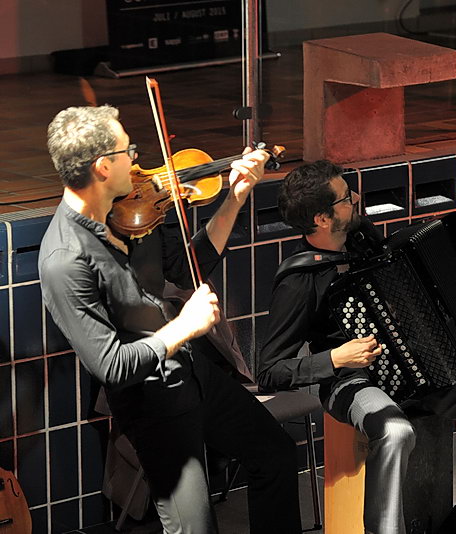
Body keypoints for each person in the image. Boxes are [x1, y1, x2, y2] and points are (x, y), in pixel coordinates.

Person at [39, 105, 302, 534]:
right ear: (103, 166)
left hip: (193, 370)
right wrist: (184, 326)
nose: (138, 162)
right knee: (195, 528)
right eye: (128, 152)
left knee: (274, 455)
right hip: (151, 402)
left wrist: (235, 197)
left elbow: (184, 268)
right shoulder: (64, 260)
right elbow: (111, 366)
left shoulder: (137, 210)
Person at [257, 160, 456, 534]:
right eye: (345, 198)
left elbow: (422, 294)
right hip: (351, 382)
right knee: (396, 431)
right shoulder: (299, 281)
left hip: (421, 369)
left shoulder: (363, 240)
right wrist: (334, 357)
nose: (356, 198)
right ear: (322, 219)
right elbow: (269, 371)